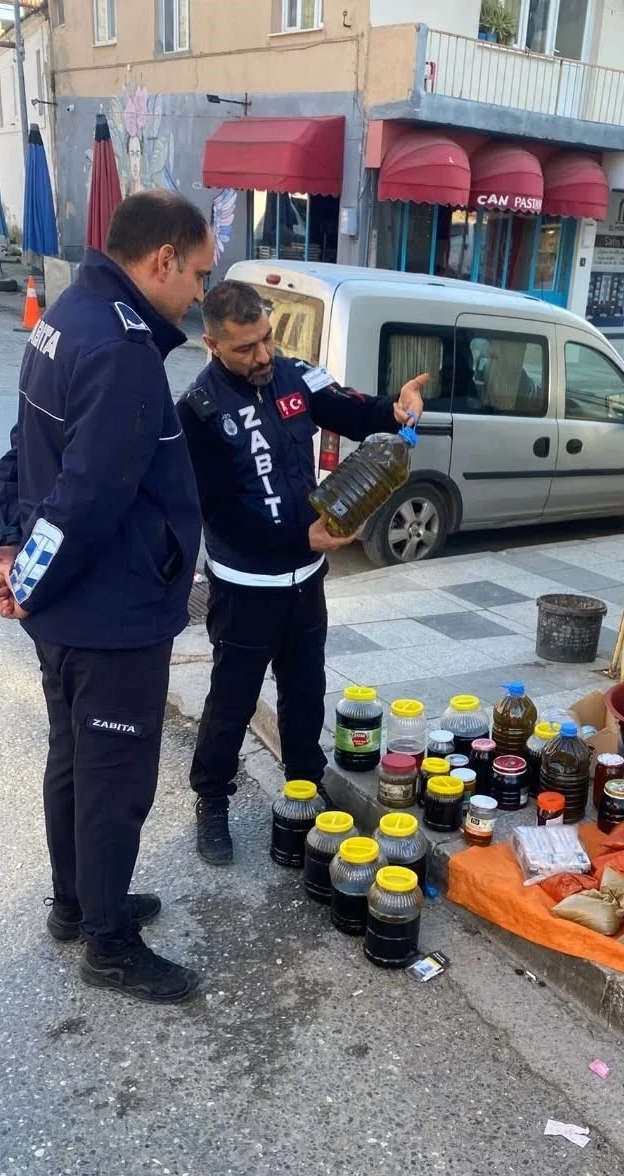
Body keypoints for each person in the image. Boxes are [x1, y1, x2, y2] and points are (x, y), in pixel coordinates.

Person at [0, 190, 215, 1004]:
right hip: (109, 615)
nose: (200, 294)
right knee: (113, 779)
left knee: (75, 760)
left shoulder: (66, 315)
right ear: (162, 260)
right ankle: (108, 944)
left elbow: (23, 450)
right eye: (199, 275)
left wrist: (18, 550)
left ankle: (78, 904)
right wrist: (26, 576)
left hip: (70, 610)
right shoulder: (123, 352)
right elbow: (85, 498)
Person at [179, 280, 427, 866]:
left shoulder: (293, 374)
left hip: (306, 581)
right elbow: (216, 512)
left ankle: (305, 789)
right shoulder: (197, 409)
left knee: (305, 692)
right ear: (212, 344)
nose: (262, 355)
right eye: (246, 348)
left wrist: (394, 407)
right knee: (232, 702)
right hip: (245, 589)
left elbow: (351, 409)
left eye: (266, 339)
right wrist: (297, 536)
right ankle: (211, 800)